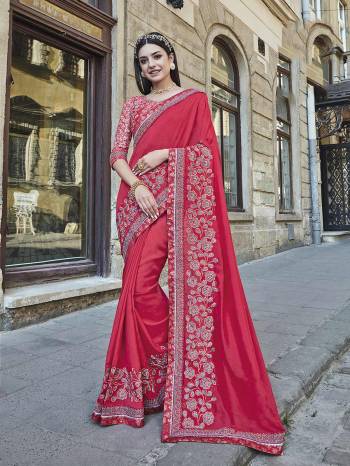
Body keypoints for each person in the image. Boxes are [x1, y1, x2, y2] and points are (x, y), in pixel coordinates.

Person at [90, 31, 286, 456]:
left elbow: (206, 155)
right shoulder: (134, 106)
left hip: (173, 204)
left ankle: (181, 357)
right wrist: (138, 185)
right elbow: (116, 154)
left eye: (157, 57)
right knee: (134, 291)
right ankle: (164, 373)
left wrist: (165, 156)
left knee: (141, 290)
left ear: (172, 59)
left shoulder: (194, 101)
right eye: (143, 61)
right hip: (135, 206)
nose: (150, 65)